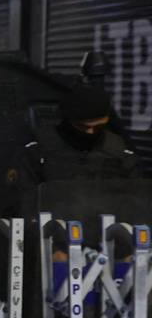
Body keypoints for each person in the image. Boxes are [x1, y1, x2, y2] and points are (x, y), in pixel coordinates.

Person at [13, 85, 145, 233]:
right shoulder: (39, 150)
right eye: (83, 127)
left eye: (98, 127)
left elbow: (134, 203)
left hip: (109, 236)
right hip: (53, 235)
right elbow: (25, 201)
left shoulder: (120, 152)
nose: (90, 133)